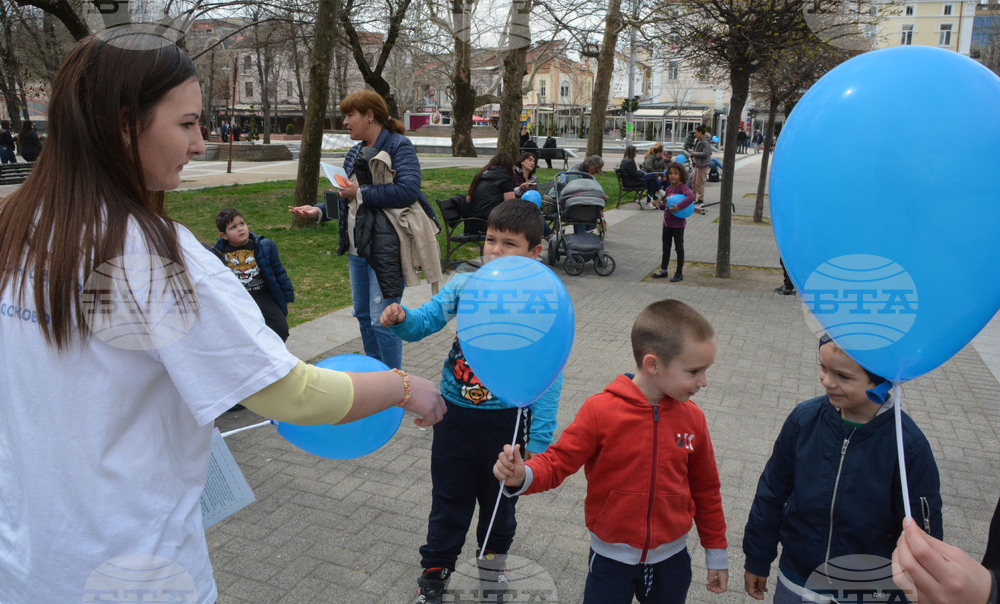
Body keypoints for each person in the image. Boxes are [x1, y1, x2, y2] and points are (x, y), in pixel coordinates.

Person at [0, 28, 446, 604]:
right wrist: (404, 385)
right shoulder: (159, 258)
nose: (202, 144)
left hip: (27, 564)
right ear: (122, 124)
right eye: (186, 124)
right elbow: (290, 394)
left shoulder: (16, 230)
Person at [380, 200, 564, 604]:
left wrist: (541, 440)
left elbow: (550, 371)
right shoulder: (466, 283)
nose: (495, 250)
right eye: (490, 239)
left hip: (508, 426)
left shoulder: (542, 299)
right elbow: (426, 320)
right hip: (454, 416)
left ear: (535, 252)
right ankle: (436, 569)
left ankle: (491, 568)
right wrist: (402, 319)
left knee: (500, 506)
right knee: (449, 498)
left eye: (509, 243)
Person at [493, 299, 729, 603]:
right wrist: (523, 474)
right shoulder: (599, 410)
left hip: (672, 559)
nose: (704, 382)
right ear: (653, 364)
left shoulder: (693, 419)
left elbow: (707, 489)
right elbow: (558, 461)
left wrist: (716, 552)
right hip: (610, 560)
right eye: (694, 371)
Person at [743, 334, 943, 603]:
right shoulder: (804, 420)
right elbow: (771, 491)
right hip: (798, 574)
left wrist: (918, 585)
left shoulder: (908, 445)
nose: (826, 380)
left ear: (882, 381)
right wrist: (758, 557)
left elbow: (921, 526)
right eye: (824, 368)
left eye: (843, 376)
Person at [289, 89, 439, 370]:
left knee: (382, 319)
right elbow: (348, 195)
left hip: (386, 247)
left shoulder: (398, 146)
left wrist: (362, 193)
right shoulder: (355, 152)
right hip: (358, 247)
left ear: (370, 116)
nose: (345, 122)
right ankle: (375, 374)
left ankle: (395, 383)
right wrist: (319, 211)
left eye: (350, 115)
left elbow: (408, 191)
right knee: (362, 315)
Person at [212, 208, 294, 341]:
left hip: (262, 295)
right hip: (238, 300)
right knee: (245, 335)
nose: (240, 229)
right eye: (233, 227)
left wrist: (286, 297)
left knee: (280, 329)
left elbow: (279, 272)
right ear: (224, 235)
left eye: (242, 224)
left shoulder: (264, 246)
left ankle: (274, 355)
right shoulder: (217, 254)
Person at [651, 163, 696, 282]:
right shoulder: (669, 188)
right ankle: (664, 270)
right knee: (666, 247)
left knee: (679, 248)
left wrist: (679, 207)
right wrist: (657, 205)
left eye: (676, 173)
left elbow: (691, 197)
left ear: (681, 175)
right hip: (667, 223)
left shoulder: (682, 188)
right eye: (670, 173)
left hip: (678, 225)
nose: (673, 176)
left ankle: (679, 273)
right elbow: (666, 206)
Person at [465, 152, 516, 236]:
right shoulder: (505, 178)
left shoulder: (481, 175)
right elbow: (511, 205)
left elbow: (468, 198)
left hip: (473, 222)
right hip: (490, 223)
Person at [689, 125, 712, 212]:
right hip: (698, 164)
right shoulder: (700, 140)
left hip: (703, 164)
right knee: (694, 182)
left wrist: (694, 153)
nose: (695, 134)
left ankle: (701, 200)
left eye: (696, 133)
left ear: (700, 132)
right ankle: (692, 199)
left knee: (700, 182)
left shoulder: (705, 141)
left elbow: (706, 153)